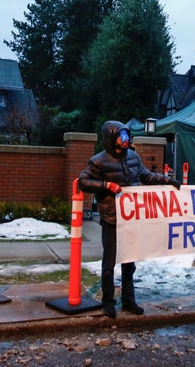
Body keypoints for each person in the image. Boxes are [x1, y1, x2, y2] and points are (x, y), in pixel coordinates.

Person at [78, 120, 181, 318]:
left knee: (129, 263)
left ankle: (128, 300)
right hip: (111, 219)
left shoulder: (133, 157)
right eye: (121, 136)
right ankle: (108, 302)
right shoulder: (98, 161)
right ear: (111, 138)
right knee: (109, 264)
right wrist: (107, 185)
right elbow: (83, 181)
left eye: (126, 136)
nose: (125, 140)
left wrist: (168, 181)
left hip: (132, 220)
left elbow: (146, 177)